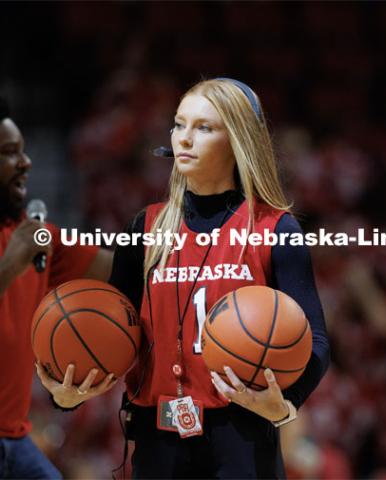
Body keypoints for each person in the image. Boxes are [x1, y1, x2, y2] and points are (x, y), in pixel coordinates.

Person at [37, 78, 330, 479]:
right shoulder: (144, 228)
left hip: (242, 432)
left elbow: (316, 339)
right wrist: (67, 395)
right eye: (179, 124)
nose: (184, 138)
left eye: (204, 128)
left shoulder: (276, 228)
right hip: (158, 440)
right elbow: (111, 338)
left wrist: (286, 404)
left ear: (238, 140)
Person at [0, 96, 114, 479]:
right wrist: (10, 264)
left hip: (14, 439)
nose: (26, 163)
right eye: (10, 153)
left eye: (24, 152)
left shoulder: (34, 236)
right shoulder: (21, 247)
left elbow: (127, 269)